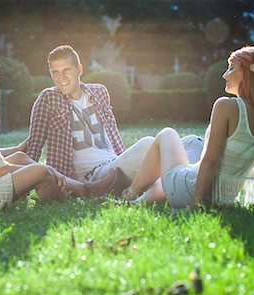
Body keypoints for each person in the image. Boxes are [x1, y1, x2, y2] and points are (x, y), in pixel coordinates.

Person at [0, 53, 119, 213]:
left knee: (19, 157)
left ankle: (77, 190)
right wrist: (50, 172)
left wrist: (19, 149)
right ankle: (86, 191)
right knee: (41, 171)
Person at [25, 45, 203, 195]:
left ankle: (182, 182)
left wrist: (128, 159)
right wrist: (23, 188)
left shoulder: (99, 92)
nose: (60, 78)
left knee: (193, 142)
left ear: (79, 69)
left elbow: (113, 137)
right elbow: (34, 145)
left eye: (66, 70)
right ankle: (183, 184)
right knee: (149, 144)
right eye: (55, 72)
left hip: (116, 164)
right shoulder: (48, 98)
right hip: (94, 177)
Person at [122, 46, 254, 209]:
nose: (225, 74)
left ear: (247, 74)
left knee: (167, 134)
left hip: (192, 191)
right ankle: (138, 202)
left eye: (231, 68)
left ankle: (131, 192)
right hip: (223, 198)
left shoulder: (226, 106)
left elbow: (211, 161)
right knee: (192, 142)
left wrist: (195, 205)